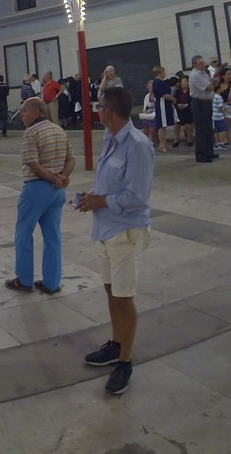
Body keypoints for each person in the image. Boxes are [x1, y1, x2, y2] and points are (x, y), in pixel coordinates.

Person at [76, 86, 155, 396]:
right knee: (111, 290)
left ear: (108, 110)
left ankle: (125, 360)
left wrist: (101, 202)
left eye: (99, 106)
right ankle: (116, 342)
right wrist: (90, 198)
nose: (97, 110)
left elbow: (137, 196)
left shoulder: (138, 146)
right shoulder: (109, 139)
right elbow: (108, 184)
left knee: (124, 297)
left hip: (125, 231)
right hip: (104, 229)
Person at [4, 96, 74, 295]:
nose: (22, 116)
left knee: (24, 233)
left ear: (36, 112)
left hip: (36, 189)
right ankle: (52, 283)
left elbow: (33, 164)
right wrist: (62, 178)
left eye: (24, 111)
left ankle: (24, 279)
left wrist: (52, 178)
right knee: (53, 235)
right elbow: (71, 158)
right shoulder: (59, 130)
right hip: (57, 192)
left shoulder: (31, 133)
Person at [188, 56, 215, 163]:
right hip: (199, 104)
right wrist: (213, 83)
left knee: (208, 129)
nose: (203, 65)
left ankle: (209, 152)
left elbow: (211, 84)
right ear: (195, 65)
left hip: (207, 103)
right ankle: (201, 155)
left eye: (203, 62)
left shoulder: (203, 73)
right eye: (200, 63)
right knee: (201, 130)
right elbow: (210, 88)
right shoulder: (195, 75)